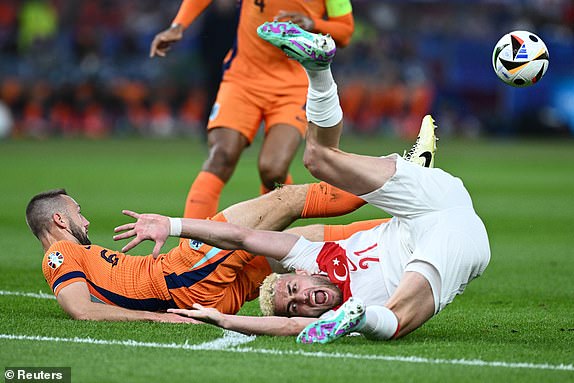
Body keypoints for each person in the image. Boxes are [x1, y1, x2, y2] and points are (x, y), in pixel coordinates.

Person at [117, 22, 490, 343]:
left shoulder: (311, 258)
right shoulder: (337, 305)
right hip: (451, 245)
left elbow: (243, 237)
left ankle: (318, 67)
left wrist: (171, 224)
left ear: (303, 274)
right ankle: (359, 318)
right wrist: (225, 319)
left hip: (430, 202)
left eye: (294, 290)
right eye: (296, 306)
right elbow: (291, 324)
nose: (302, 300)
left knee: (317, 158)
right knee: (391, 322)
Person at [26, 177, 386, 322]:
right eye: (78, 214)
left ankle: (396, 232)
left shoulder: (78, 255)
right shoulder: (58, 255)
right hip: (184, 276)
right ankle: (391, 181)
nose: (86, 222)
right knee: (285, 200)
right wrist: (158, 318)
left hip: (200, 294)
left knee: (297, 247)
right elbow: (80, 310)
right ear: (59, 219)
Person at [149, 0, 354, 220]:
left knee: (273, 170)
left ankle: (266, 246)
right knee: (222, 155)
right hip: (242, 79)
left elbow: (345, 32)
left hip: (293, 86)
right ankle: (191, 249)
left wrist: (313, 23)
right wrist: (178, 25)